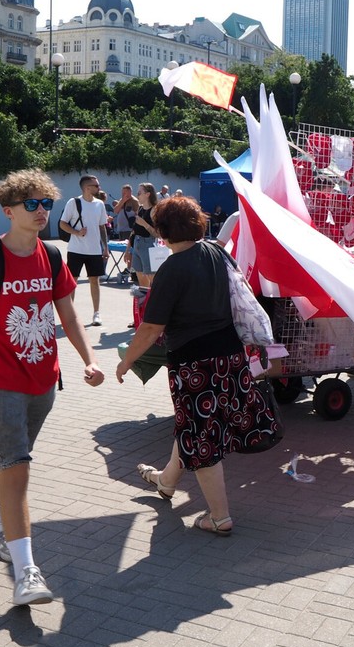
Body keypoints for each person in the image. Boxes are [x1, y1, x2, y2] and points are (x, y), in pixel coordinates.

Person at [0, 169, 104, 605]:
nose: (42, 211)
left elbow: (67, 314)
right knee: (18, 466)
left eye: (45, 203)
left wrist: (90, 359)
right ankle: (26, 571)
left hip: (44, 380)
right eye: (32, 205)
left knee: (13, 464)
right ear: (8, 211)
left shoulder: (52, 255)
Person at [116, 196, 278, 536]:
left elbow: (150, 329)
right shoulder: (215, 252)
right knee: (194, 425)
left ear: (162, 231)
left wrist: (127, 361)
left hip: (193, 363)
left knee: (201, 434)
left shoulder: (171, 269)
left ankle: (219, 517)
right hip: (229, 357)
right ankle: (166, 481)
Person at [58, 175, 109, 326]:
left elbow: (102, 227)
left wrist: (105, 248)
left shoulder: (100, 204)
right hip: (76, 249)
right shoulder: (74, 202)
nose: (99, 188)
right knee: (72, 281)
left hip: (94, 250)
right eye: (96, 186)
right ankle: (70, 314)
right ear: (87, 188)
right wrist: (76, 232)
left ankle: (96, 314)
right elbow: (62, 223)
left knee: (95, 281)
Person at [131, 182, 160, 289]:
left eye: (139, 193)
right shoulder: (140, 208)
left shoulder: (154, 210)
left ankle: (154, 303)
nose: (137, 195)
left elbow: (158, 234)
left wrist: (144, 224)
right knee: (141, 280)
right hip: (137, 243)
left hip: (148, 243)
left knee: (152, 279)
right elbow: (134, 231)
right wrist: (127, 250)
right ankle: (144, 304)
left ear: (148, 194)